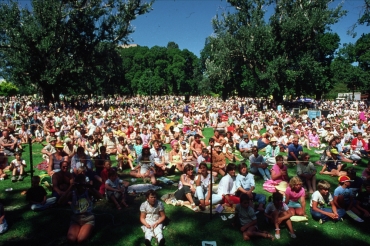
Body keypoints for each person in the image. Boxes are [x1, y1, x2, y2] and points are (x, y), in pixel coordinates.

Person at [59, 174, 103, 244]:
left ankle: (88, 229)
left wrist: (90, 187)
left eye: (82, 183)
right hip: (76, 219)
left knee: (81, 239)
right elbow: (60, 202)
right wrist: (70, 187)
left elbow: (100, 196)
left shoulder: (88, 192)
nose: (80, 186)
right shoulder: (72, 193)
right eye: (78, 183)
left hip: (88, 218)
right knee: (71, 239)